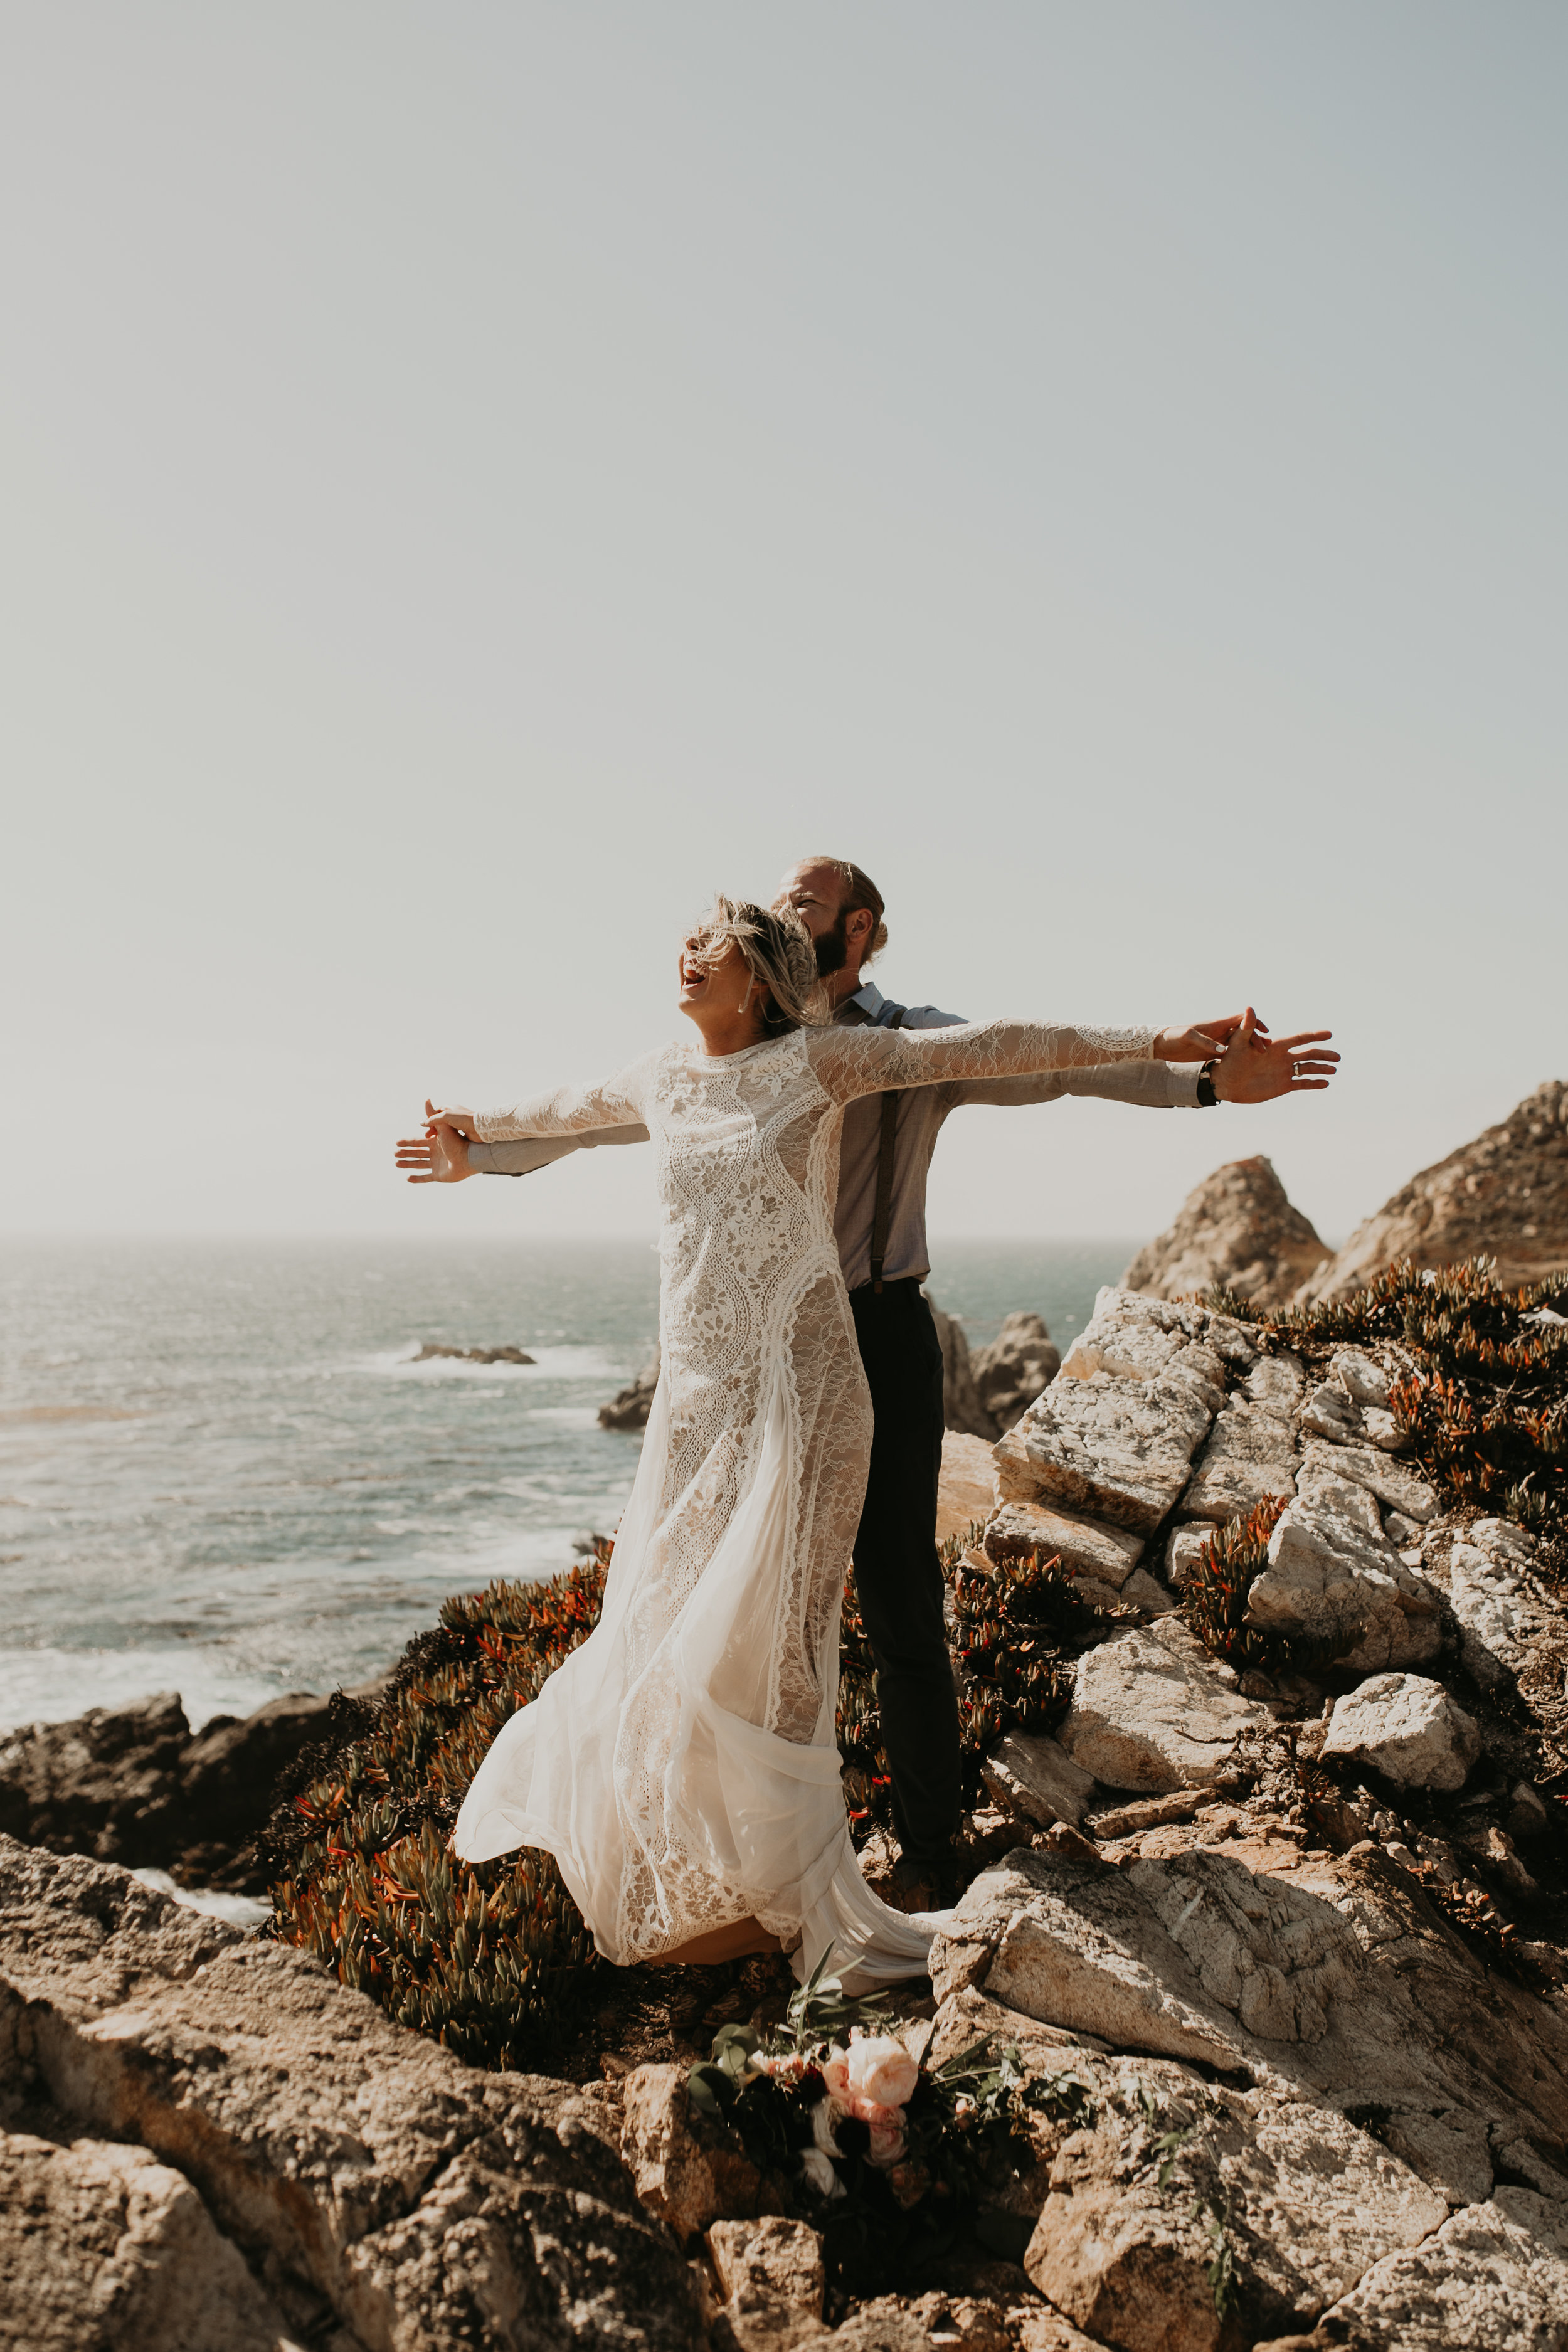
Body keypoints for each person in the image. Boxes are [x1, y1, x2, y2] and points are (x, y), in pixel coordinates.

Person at [421, 893, 1337, 1986]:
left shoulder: (835, 1057)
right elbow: (561, 1112)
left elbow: (1009, 1051)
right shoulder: (662, 1074)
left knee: (819, 1632)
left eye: (714, 940)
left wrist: (1169, 1053)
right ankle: (714, 1881)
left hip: (823, 1381)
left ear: (775, 968)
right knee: (666, 1626)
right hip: (703, 1406)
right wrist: (469, 1144)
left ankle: (835, 1884)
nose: (687, 949)